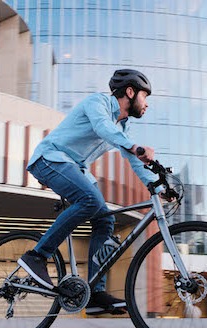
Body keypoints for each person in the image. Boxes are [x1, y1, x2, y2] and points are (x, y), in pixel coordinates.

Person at [18, 69, 161, 315]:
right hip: (50, 158)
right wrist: (135, 147)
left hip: (75, 168)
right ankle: (37, 256)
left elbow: (134, 159)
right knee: (90, 200)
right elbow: (103, 128)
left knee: (106, 220)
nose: (147, 104)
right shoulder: (98, 103)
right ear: (130, 92)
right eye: (145, 97)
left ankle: (94, 293)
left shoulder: (123, 127)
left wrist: (155, 185)